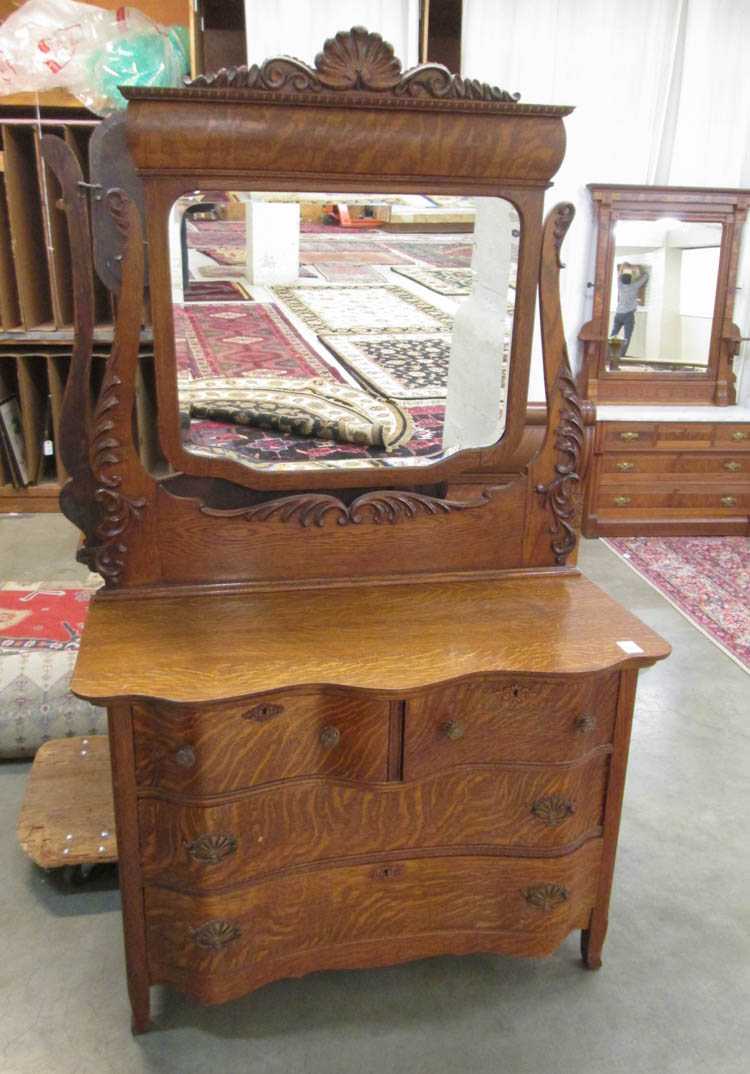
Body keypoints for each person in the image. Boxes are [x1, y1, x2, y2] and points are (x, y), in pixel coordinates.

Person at [611, 263, 649, 357]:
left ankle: (609, 353)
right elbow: (646, 276)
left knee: (613, 334)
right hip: (628, 315)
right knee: (627, 336)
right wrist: (638, 268)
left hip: (618, 314)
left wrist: (623, 267)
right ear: (630, 279)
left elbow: (618, 275)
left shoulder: (620, 286)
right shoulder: (634, 286)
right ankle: (621, 355)